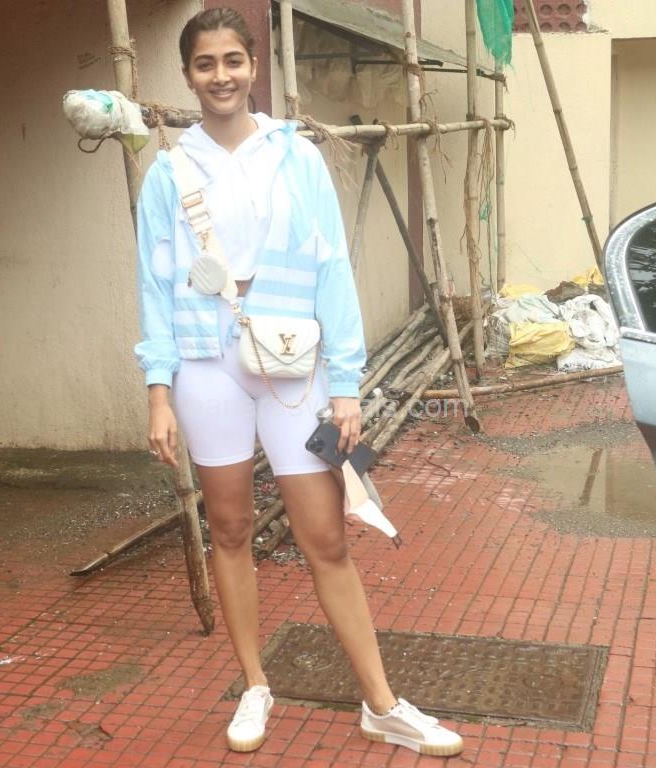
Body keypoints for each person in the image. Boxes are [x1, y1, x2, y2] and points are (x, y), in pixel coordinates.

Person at [134, 6, 463, 758]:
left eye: (232, 61)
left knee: (325, 536)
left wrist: (345, 385)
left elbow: (331, 267)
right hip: (204, 366)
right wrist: (158, 389)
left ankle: (381, 704)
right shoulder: (168, 171)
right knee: (229, 529)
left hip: (292, 366)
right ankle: (255, 685)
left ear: (254, 67)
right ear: (187, 75)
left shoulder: (296, 156)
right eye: (205, 64)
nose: (221, 76)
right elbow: (152, 283)